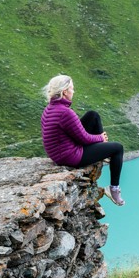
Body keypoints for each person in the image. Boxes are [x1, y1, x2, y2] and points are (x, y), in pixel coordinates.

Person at [40, 74, 125, 206]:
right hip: (70, 157)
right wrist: (100, 138)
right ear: (64, 92)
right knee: (118, 148)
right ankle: (113, 189)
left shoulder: (49, 109)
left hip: (59, 153)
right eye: (72, 89)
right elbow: (84, 139)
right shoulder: (65, 113)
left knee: (93, 115)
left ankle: (105, 151)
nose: (74, 91)